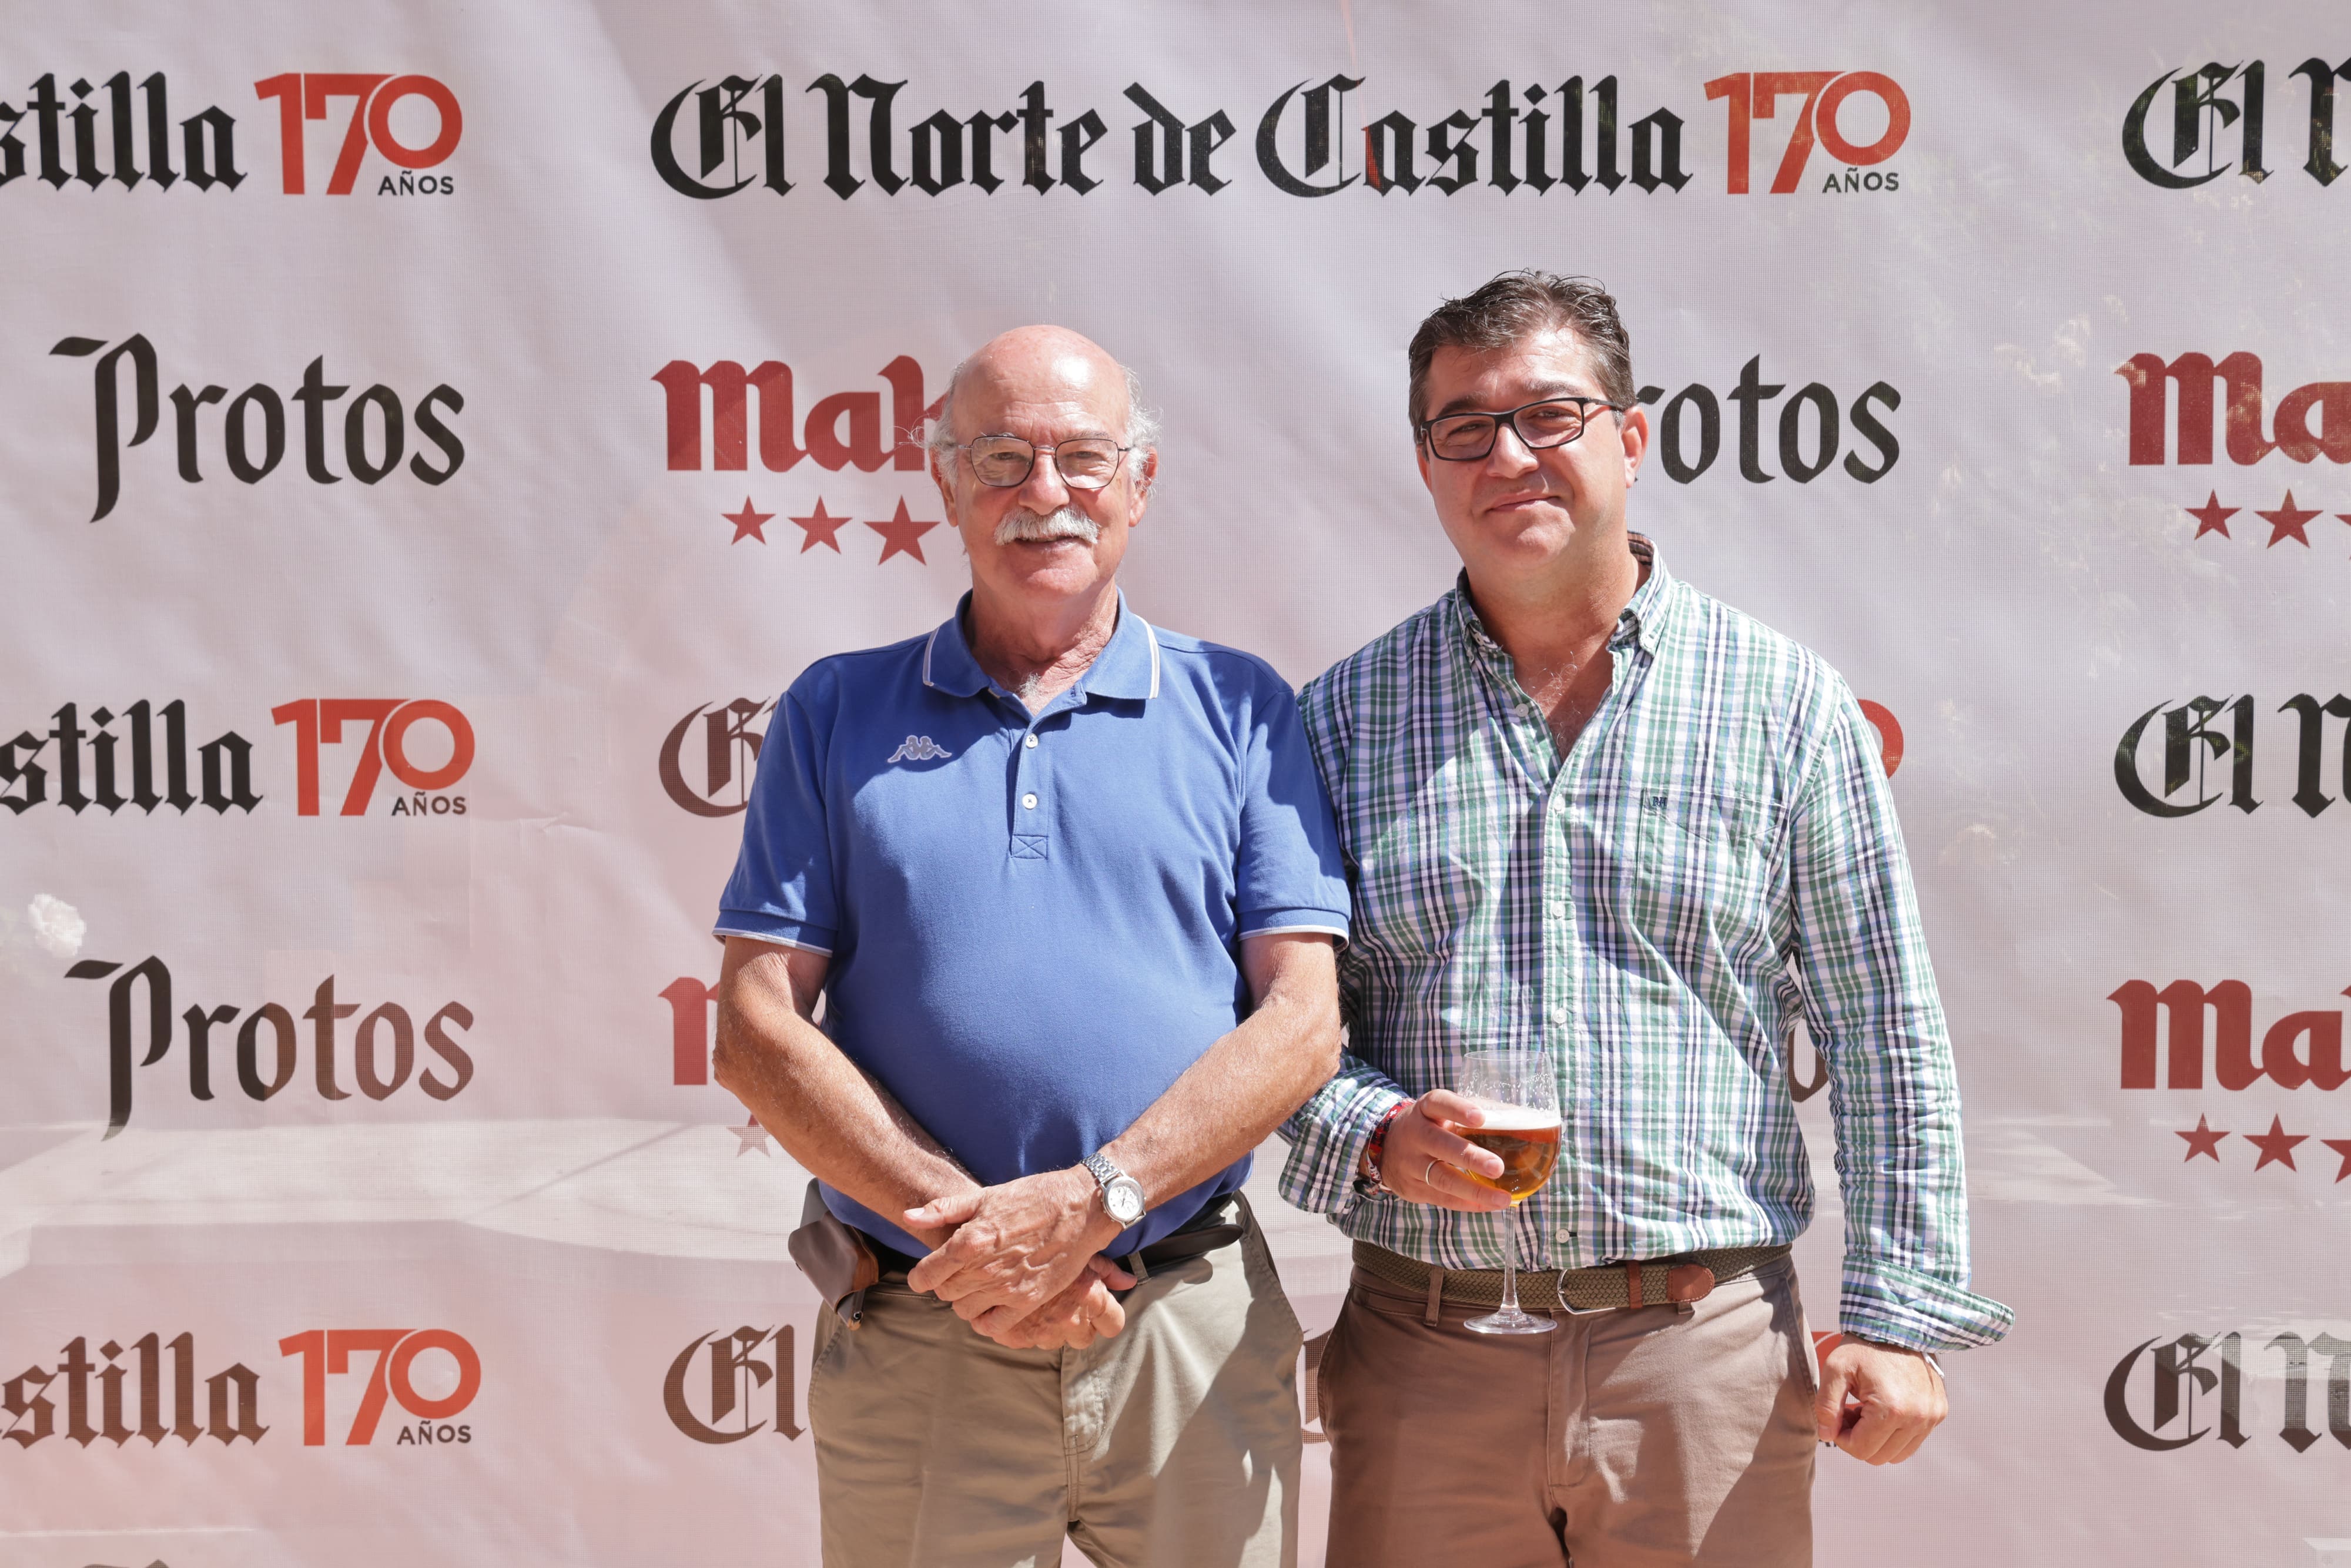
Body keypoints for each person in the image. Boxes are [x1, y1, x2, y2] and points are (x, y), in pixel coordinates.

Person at [1278, 272, 2012, 1566]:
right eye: (1465, 427)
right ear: (1426, 463)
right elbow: (1281, 1024)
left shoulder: (1783, 704)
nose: (1508, 456)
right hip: (1422, 1354)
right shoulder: (1339, 721)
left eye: (1549, 415)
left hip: (1702, 1356)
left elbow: (1882, 1029)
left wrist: (1897, 1319)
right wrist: (1369, 1128)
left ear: (1628, 434)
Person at [710, 324, 1349, 1568]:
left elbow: (1302, 1022)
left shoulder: (1240, 707)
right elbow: (753, 1029)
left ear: (1140, 484)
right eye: (999, 458)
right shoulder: (835, 709)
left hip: (1185, 1325)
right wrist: (983, 1246)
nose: (1043, 493)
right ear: (942, 482)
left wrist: (1089, 1201)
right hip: (922, 1326)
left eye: (1080, 457)